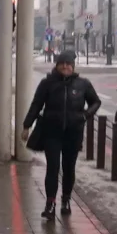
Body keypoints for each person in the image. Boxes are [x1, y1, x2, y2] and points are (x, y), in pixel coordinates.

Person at [22, 50, 100, 220]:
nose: (65, 66)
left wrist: (85, 115)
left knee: (69, 168)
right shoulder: (47, 83)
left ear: (73, 66)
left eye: (68, 63)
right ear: (56, 65)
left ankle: (66, 200)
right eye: (62, 63)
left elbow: (96, 102)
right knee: (53, 168)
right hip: (52, 132)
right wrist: (26, 126)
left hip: (73, 133)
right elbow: (36, 104)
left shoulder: (83, 84)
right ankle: (50, 204)